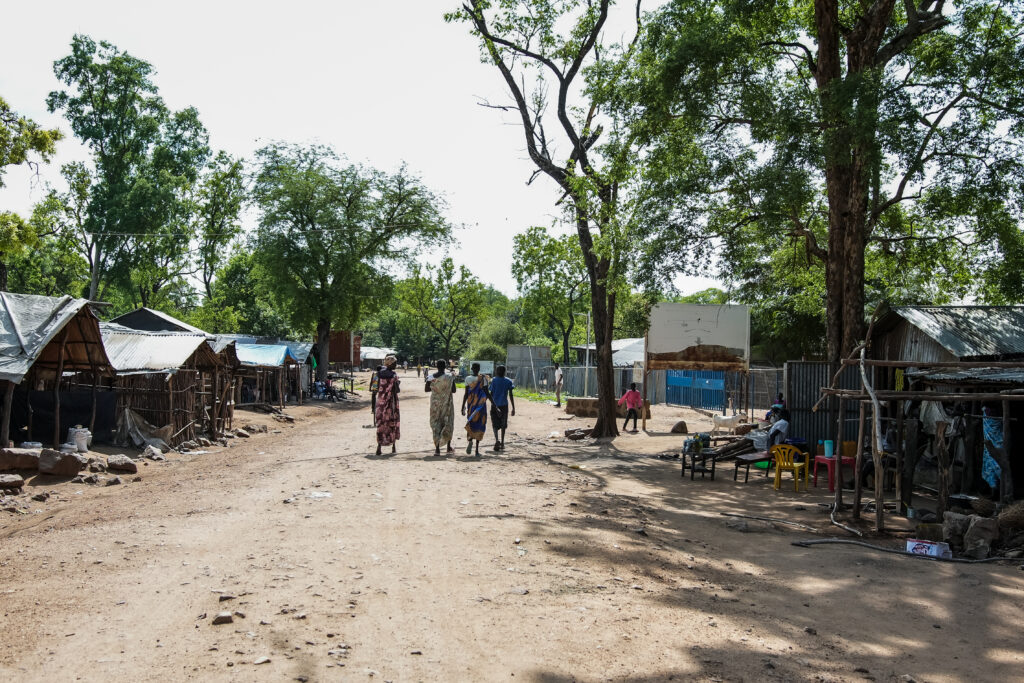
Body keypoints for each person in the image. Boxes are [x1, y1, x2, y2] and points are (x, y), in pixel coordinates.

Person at [425, 359, 458, 455]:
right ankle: (448, 447)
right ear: (445, 366)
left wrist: (436, 388)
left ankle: (437, 449)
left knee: (436, 424)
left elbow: (427, 389)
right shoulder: (449, 377)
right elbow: (454, 390)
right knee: (448, 422)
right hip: (447, 403)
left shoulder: (431, 377)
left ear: (436, 366)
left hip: (435, 404)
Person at [461, 362, 489, 456]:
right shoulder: (483, 379)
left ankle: (470, 441)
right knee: (480, 424)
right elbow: (487, 393)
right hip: (481, 405)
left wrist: (462, 407)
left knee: (471, 422)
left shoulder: (468, 379)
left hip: (471, 405)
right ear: (479, 369)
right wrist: (495, 405)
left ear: (472, 368)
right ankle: (476, 450)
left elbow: (466, 394)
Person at [374, 355, 401, 455]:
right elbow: (397, 390)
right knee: (392, 422)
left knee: (381, 423)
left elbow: (375, 388)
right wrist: (397, 383)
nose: (396, 365)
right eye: (394, 363)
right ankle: (393, 446)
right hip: (391, 402)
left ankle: (379, 447)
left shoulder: (378, 374)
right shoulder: (394, 375)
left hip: (380, 402)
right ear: (390, 363)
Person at [488, 365, 515, 451]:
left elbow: (491, 394)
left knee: (494, 424)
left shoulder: (494, 380)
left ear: (497, 371)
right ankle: (502, 443)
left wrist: (494, 405)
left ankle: (497, 440)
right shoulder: (508, 381)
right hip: (504, 405)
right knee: (503, 425)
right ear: (504, 372)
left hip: (495, 405)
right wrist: (513, 408)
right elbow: (510, 395)